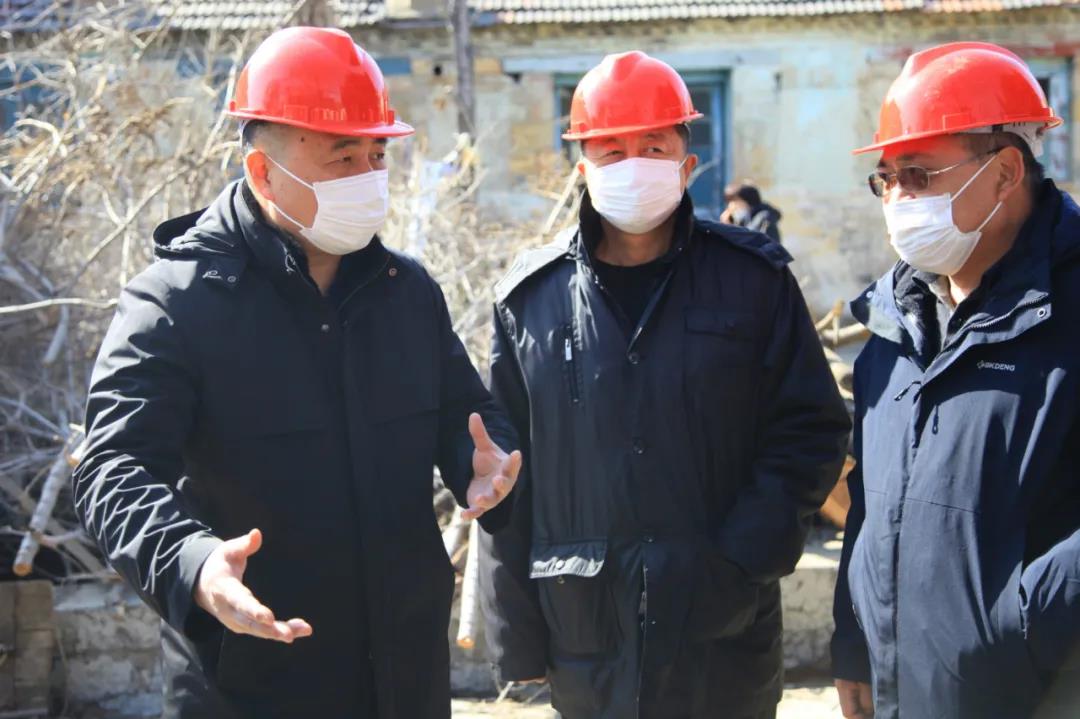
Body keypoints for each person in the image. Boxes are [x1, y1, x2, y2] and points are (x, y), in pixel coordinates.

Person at [72, 27, 520, 719]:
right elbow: (111, 469)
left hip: (404, 679)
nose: (369, 177)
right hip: (249, 680)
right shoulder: (176, 302)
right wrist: (192, 562)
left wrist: (480, 465)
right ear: (262, 172)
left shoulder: (407, 293)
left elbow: (466, 414)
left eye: (377, 155)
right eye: (344, 157)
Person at [478, 50, 850, 719]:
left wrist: (742, 561)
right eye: (611, 149)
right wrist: (516, 637)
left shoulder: (753, 281)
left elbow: (810, 431)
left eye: (653, 146)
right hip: (587, 638)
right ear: (582, 167)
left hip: (723, 636)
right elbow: (502, 473)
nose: (633, 164)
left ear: (687, 162)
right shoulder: (529, 301)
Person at [831, 41, 1080, 719]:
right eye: (887, 179)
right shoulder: (892, 323)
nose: (898, 199)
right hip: (902, 690)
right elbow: (871, 502)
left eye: (918, 174)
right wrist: (855, 640)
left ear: (1004, 172)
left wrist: (1016, 626)